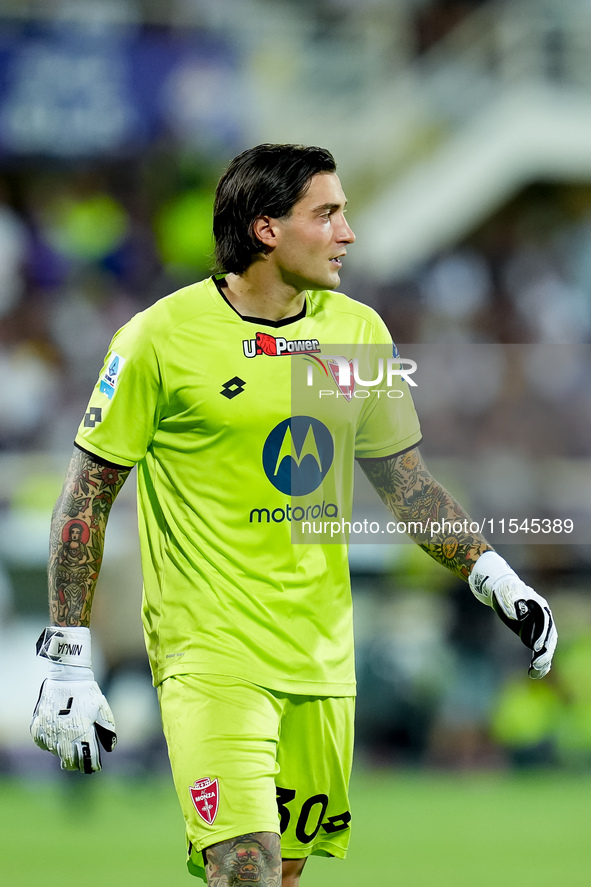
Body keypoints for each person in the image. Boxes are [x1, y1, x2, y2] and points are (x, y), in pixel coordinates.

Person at [31, 144, 557, 886]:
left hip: (319, 657)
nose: (347, 234)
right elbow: (87, 494)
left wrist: (492, 572)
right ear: (266, 228)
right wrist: (65, 657)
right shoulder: (160, 338)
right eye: (328, 214)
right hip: (209, 655)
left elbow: (405, 483)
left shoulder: (356, 332)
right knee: (245, 866)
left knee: (281, 876)